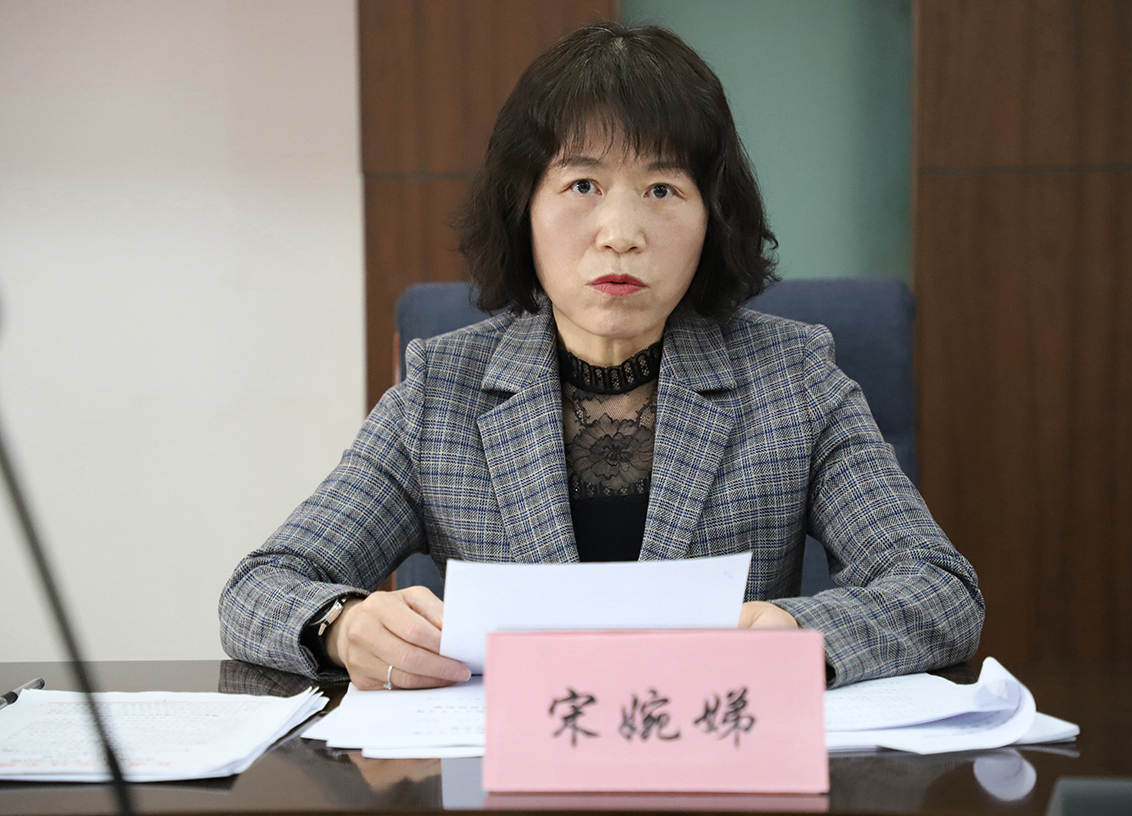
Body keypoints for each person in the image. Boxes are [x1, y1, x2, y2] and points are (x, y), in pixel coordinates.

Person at [219, 22, 983, 691]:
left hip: (716, 762)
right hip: (507, 769)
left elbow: (940, 589)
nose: (620, 233)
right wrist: (343, 626)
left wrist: (800, 635)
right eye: (582, 183)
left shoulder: (792, 380)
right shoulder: (440, 393)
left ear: (711, 218)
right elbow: (261, 588)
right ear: (523, 208)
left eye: (662, 189)